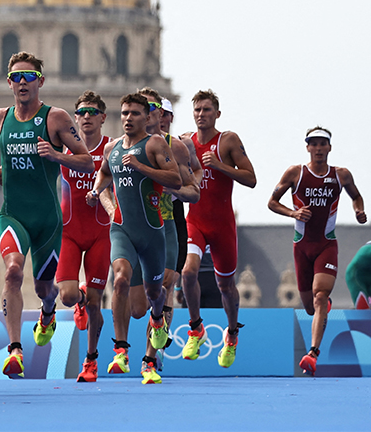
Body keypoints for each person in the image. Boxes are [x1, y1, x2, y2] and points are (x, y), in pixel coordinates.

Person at [0, 52, 92, 377]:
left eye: (29, 76)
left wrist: (56, 155)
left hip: (48, 221)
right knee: (11, 273)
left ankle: (47, 310)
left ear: (41, 80)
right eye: (16, 77)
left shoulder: (56, 118)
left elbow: (88, 161)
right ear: (8, 82)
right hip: (13, 215)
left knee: (44, 288)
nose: (23, 83)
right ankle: (15, 350)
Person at [90, 93, 181, 384]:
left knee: (154, 296)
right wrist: (97, 193)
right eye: (125, 113)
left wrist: (141, 168)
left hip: (152, 232)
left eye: (135, 113)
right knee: (119, 279)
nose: (128, 118)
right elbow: (103, 175)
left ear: (147, 117)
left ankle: (157, 325)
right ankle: (121, 350)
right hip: (122, 228)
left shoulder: (154, 144)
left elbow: (176, 180)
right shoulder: (113, 148)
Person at [268, 126, 367, 375]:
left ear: (330, 147)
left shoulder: (341, 175)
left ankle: (312, 354)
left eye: (323, 143)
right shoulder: (295, 173)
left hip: (326, 244)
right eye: (314, 143)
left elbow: (356, 196)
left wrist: (358, 210)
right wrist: (293, 213)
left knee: (320, 296)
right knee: (310, 307)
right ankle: (321, 308)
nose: (319, 148)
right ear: (307, 147)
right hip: (301, 246)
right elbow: (271, 202)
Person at [180, 89, 256, 368]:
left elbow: (251, 179)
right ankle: (196, 328)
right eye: (197, 110)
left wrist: (222, 166)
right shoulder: (185, 142)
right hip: (196, 220)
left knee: (225, 286)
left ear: (217, 114)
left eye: (207, 110)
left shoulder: (228, 141)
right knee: (188, 272)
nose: (201, 115)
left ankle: (232, 333)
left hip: (223, 224)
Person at [52, 91, 112, 382]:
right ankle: (80, 298)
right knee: (67, 295)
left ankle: (91, 361)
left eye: (92, 112)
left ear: (102, 117)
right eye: (82, 112)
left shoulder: (111, 149)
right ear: (75, 118)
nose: (86, 117)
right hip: (69, 232)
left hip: (101, 232)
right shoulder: (63, 149)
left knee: (97, 303)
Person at [155, 96, 201, 346]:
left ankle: (157, 347)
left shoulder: (181, 145)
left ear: (170, 118)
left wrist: (184, 189)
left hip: (172, 215)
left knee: (169, 282)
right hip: (143, 221)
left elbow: (196, 172)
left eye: (164, 114)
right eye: (155, 112)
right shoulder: (132, 143)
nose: (159, 117)